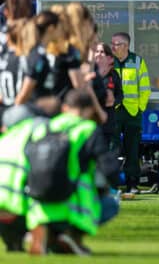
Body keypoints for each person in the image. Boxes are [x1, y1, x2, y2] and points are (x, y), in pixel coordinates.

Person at [25, 89, 120, 256]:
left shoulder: (45, 127)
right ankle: (72, 235)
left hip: (38, 204)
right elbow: (109, 168)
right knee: (111, 205)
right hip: (74, 205)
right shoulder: (87, 129)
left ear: (65, 108)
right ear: (89, 110)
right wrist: (108, 186)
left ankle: (44, 233)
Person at [111, 31, 151, 194]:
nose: (113, 47)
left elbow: (145, 88)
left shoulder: (137, 61)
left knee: (132, 151)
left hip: (132, 112)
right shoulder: (108, 61)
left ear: (126, 46)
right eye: (112, 44)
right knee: (111, 149)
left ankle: (132, 184)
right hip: (113, 111)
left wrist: (140, 108)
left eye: (116, 44)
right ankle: (111, 184)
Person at [94, 42, 123, 148]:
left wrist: (113, 102)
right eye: (96, 51)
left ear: (108, 57)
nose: (99, 54)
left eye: (102, 52)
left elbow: (120, 94)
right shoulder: (89, 73)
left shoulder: (113, 74)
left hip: (108, 118)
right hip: (92, 117)